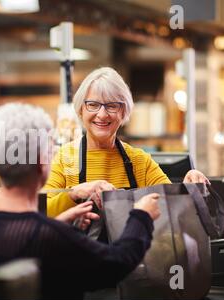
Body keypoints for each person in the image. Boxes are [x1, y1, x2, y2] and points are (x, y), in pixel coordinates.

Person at [0, 103, 161, 299]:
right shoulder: (51, 237)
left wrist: (57, 223)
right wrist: (141, 217)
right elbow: (116, 263)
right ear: (41, 163)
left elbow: (19, 249)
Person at [45, 67, 210, 217]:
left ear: (123, 112)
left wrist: (188, 187)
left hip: (129, 249)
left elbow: (172, 208)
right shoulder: (63, 158)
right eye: (93, 105)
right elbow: (43, 211)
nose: (102, 114)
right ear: (81, 110)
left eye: (112, 106)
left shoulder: (139, 161)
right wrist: (74, 194)